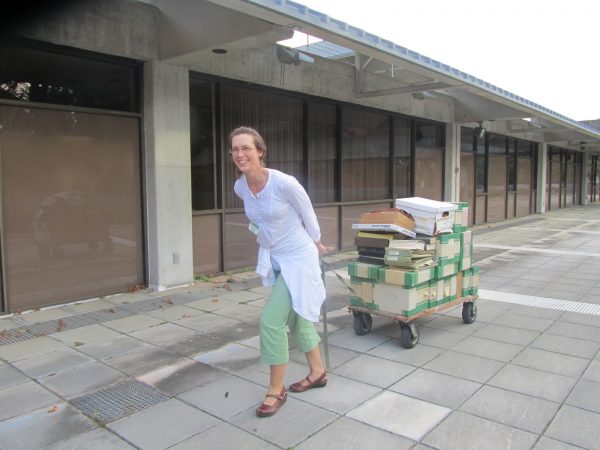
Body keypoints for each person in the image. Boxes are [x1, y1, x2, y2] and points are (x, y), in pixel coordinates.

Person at [230, 126, 332, 418]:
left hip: (299, 258)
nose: (240, 154)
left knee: (271, 322)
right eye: (235, 149)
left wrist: (316, 241)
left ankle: (276, 390)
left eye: (246, 148)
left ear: (260, 151)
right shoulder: (240, 186)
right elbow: (259, 219)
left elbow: (307, 213)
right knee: (299, 321)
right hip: (275, 258)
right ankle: (318, 372)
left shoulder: (284, 183)